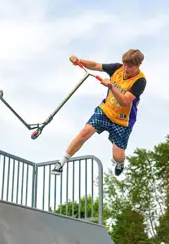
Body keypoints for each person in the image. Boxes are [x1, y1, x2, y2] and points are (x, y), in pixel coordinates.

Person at [51, 49, 146, 177]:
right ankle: (61, 163)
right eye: (124, 64)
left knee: (117, 156)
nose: (125, 68)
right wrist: (79, 61)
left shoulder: (140, 81)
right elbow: (96, 66)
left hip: (123, 121)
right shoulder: (117, 68)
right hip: (106, 111)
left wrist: (111, 86)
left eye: (130, 66)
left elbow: (124, 101)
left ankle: (120, 162)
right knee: (85, 132)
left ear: (138, 65)